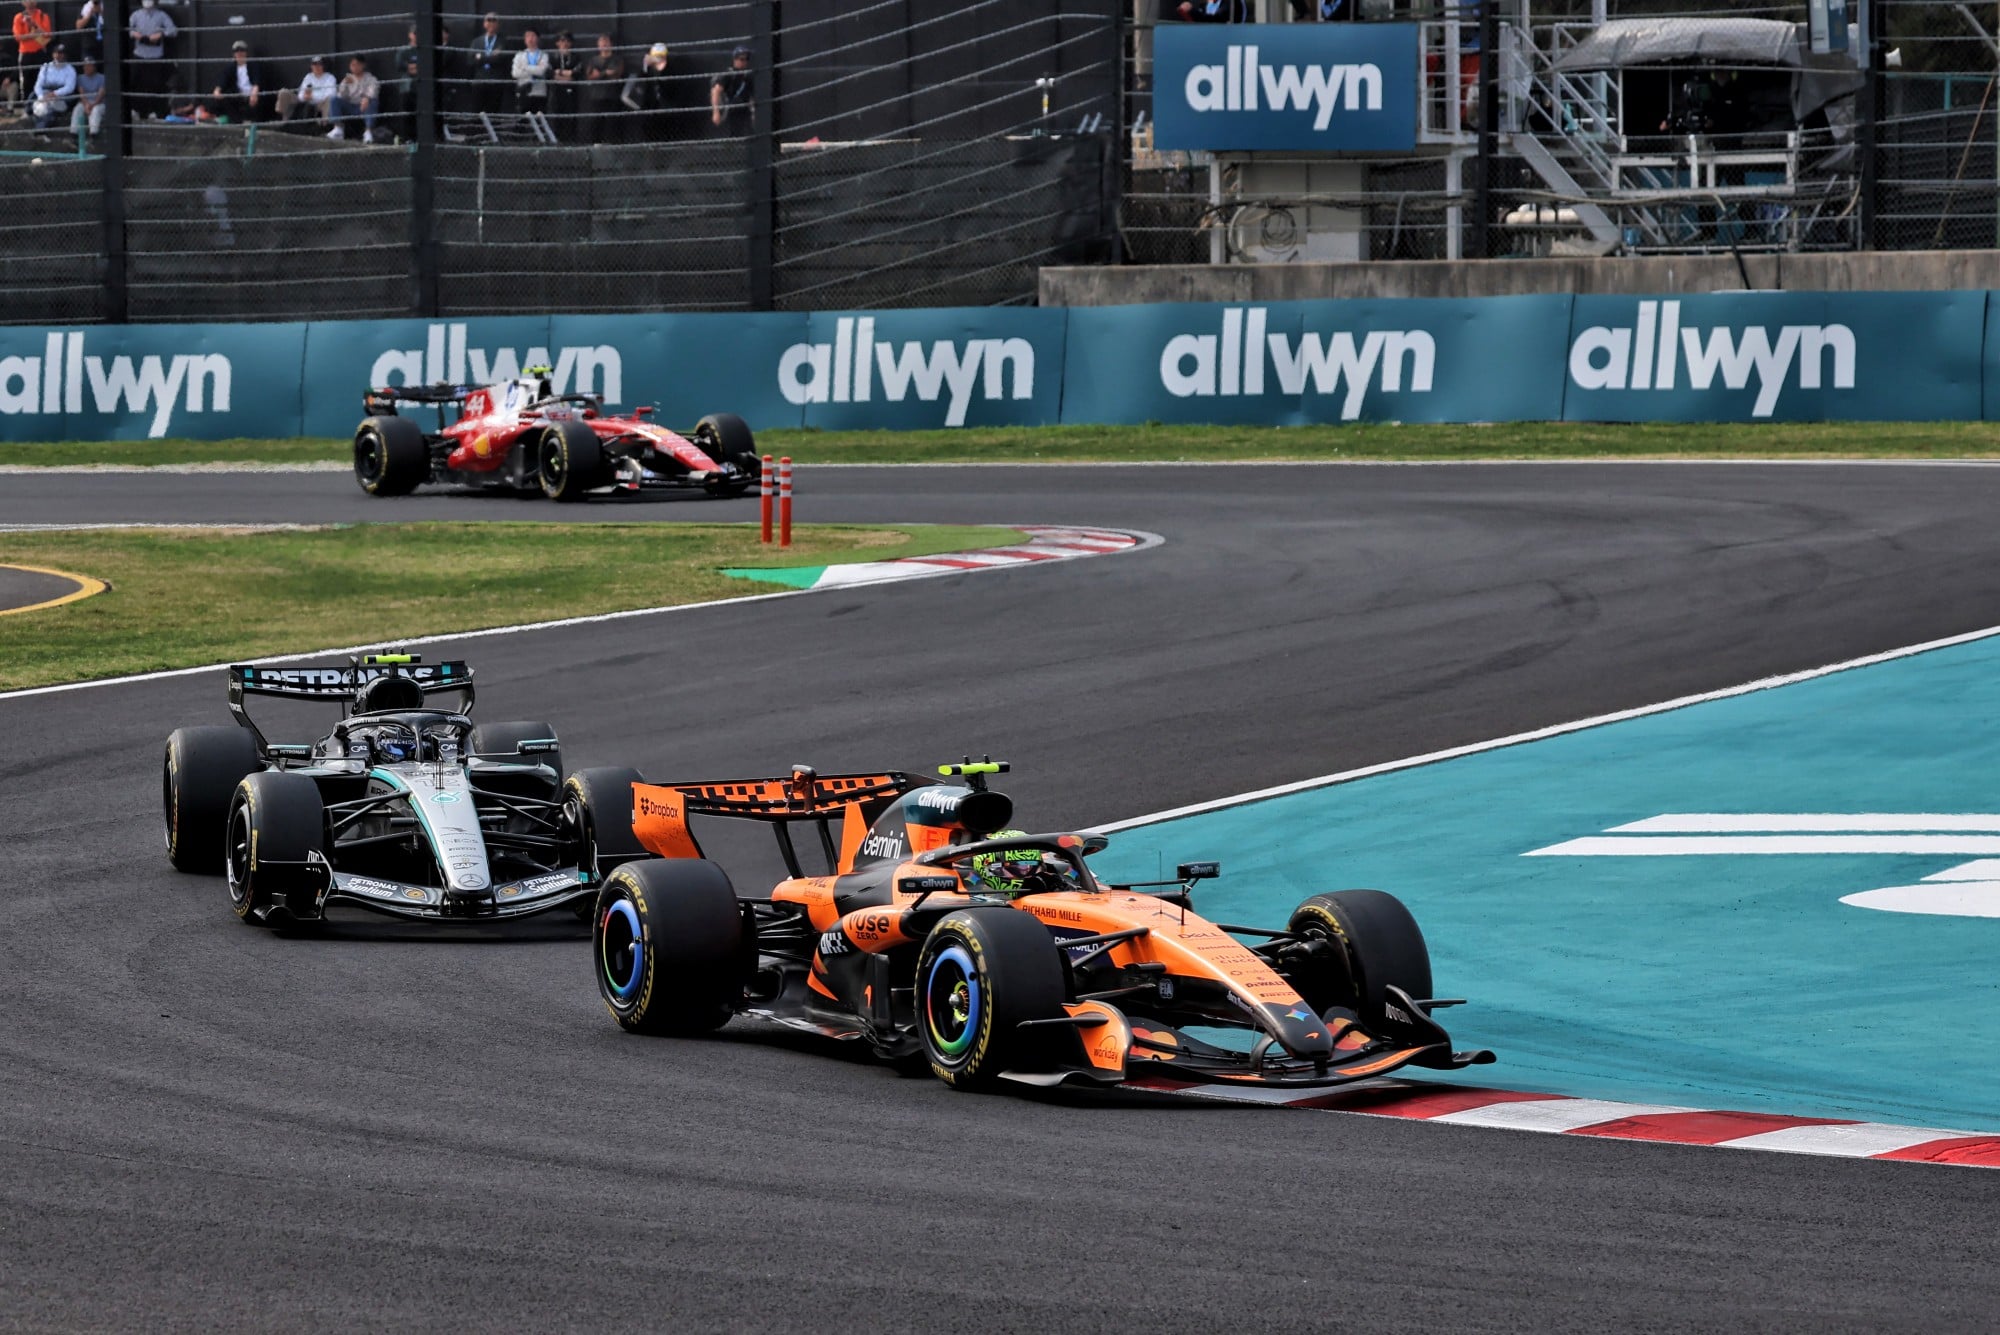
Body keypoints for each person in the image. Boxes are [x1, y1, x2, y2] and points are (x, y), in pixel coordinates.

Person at [966, 832, 1078, 895]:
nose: (1030, 876)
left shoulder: (1053, 881)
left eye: (1033, 868)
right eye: (1020, 869)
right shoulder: (972, 903)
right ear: (992, 869)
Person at [126, 0, 176, 120]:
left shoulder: (161, 15)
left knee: (155, 85)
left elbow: (173, 30)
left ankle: (154, 112)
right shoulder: (136, 15)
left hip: (155, 57)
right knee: (136, 85)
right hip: (139, 55)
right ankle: (136, 110)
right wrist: (135, 34)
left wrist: (160, 34)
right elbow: (126, 28)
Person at [208, 39, 266, 123]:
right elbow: (223, 80)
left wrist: (254, 93)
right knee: (223, 99)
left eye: (242, 50)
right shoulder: (231, 67)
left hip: (251, 95)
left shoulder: (253, 65)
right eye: (237, 51)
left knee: (257, 102)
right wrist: (217, 90)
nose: (239, 53)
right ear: (234, 54)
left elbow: (256, 81)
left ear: (246, 52)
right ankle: (235, 122)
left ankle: (249, 122)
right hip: (238, 96)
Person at [583, 32, 624, 143]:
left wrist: (600, 73)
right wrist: (605, 73)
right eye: (601, 41)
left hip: (611, 97)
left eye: (606, 41)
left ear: (611, 44)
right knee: (595, 125)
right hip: (596, 97)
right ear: (598, 45)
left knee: (611, 126)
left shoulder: (617, 59)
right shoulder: (593, 60)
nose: (604, 44)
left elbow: (616, 74)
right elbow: (590, 76)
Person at [10, 0, 50, 110]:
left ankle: (41, 107)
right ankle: (27, 109)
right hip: (25, 53)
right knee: (26, 82)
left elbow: (47, 35)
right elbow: (18, 37)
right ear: (23, 3)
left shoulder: (43, 15)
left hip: (40, 53)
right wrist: (32, 35)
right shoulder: (18, 17)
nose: (30, 2)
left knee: (41, 81)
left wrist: (33, 25)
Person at [277, 53, 334, 126]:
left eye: (319, 64)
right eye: (314, 64)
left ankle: (325, 125)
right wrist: (304, 96)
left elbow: (331, 94)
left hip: (321, 103)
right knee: (283, 92)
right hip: (305, 101)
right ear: (311, 66)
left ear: (324, 66)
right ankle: (284, 120)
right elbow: (300, 94)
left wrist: (313, 96)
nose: (317, 67)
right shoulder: (308, 77)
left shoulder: (330, 78)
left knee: (330, 100)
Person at [331, 53, 378, 141]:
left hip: (364, 107)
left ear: (363, 65)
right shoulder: (348, 78)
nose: (354, 67)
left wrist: (366, 98)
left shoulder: (371, 78)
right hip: (351, 106)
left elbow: (373, 91)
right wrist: (345, 84)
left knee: (373, 102)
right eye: (352, 65)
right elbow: (341, 96)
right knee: (334, 100)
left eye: (357, 64)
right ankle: (338, 129)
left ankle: (368, 132)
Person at [468, 11, 507, 117]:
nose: (491, 23)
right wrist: (491, 56)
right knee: (476, 112)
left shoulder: (503, 41)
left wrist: (480, 57)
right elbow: (470, 61)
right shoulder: (476, 42)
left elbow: (500, 59)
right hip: (479, 81)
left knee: (494, 112)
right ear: (484, 23)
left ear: (498, 24)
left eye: (494, 20)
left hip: (495, 81)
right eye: (488, 20)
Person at [29, 39, 71, 128]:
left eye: (61, 53)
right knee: (40, 107)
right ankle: (40, 130)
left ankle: (40, 131)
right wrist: (41, 96)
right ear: (53, 54)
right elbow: (38, 85)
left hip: (59, 96)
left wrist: (54, 94)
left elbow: (69, 87)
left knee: (49, 110)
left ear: (65, 55)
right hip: (44, 95)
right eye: (56, 53)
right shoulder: (46, 67)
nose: (58, 55)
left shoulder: (70, 69)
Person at [709, 43, 750, 135]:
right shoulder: (729, 74)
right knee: (731, 135)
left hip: (744, 111)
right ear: (735, 59)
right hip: (730, 111)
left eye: (746, 59)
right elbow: (716, 91)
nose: (744, 62)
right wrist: (716, 112)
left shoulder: (747, 75)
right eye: (741, 59)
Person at [634, 40, 669, 140]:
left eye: (660, 57)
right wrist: (646, 65)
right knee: (647, 129)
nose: (658, 59)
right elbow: (641, 80)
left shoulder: (669, 69)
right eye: (656, 57)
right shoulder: (647, 70)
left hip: (665, 108)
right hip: (649, 106)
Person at [547, 30, 581, 130]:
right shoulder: (552, 57)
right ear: (557, 43)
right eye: (562, 41)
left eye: (567, 41)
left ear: (571, 43)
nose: (564, 44)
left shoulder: (575, 57)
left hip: (571, 91)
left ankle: (571, 141)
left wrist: (559, 72)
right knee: (556, 116)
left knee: (570, 115)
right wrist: (566, 74)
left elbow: (576, 73)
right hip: (556, 91)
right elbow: (550, 73)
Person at [510, 25, 547, 114]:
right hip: (523, 92)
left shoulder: (543, 55)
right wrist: (533, 69)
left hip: (539, 92)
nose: (530, 38)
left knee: (539, 120)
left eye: (533, 36)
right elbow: (515, 73)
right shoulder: (519, 55)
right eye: (527, 36)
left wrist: (524, 67)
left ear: (537, 38)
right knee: (523, 120)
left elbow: (541, 71)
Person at [70, 50, 102, 135]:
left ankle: (93, 134)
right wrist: (87, 104)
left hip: (98, 103)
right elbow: (82, 94)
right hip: (85, 103)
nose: (86, 68)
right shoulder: (80, 78)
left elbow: (101, 94)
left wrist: (93, 104)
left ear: (94, 67)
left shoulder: (102, 77)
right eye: (85, 65)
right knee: (77, 109)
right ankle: (73, 134)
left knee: (95, 110)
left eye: (89, 65)